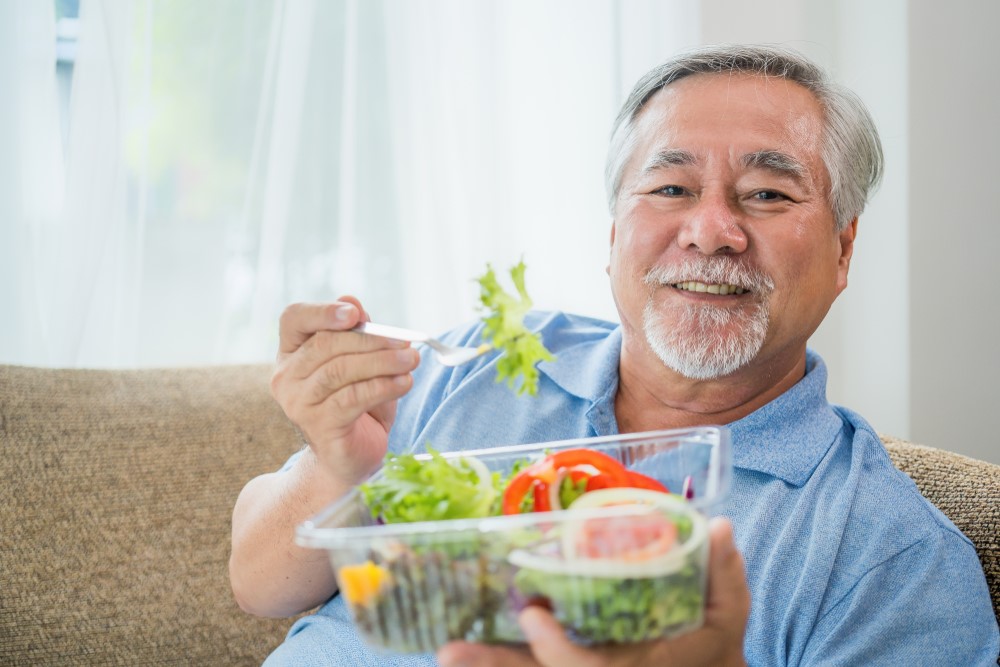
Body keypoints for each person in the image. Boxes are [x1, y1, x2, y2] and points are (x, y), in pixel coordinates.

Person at [230, 44, 1000, 666]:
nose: (710, 230)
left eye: (767, 195)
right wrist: (342, 465)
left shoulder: (891, 559)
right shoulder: (477, 361)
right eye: (669, 188)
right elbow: (258, 580)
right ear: (611, 236)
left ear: (842, 247)